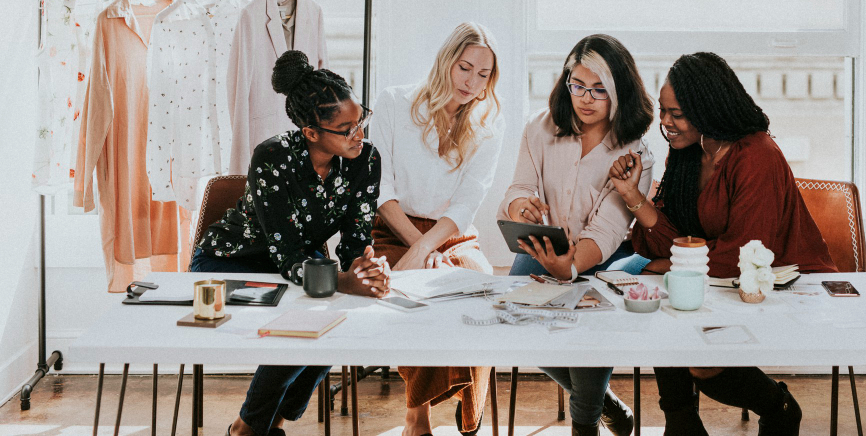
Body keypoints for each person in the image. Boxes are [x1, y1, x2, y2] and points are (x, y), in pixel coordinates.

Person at [608, 51, 837, 436]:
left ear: (708, 109)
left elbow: (740, 256)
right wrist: (633, 196)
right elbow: (662, 245)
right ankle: (681, 422)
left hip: (783, 286)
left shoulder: (757, 157)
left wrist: (668, 264)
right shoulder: (689, 152)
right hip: (720, 282)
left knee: (700, 359)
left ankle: (779, 407)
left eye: (676, 113)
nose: (665, 122)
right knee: (667, 309)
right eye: (664, 111)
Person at [191, 50, 391, 436]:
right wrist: (341, 280)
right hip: (233, 260)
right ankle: (250, 430)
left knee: (334, 321)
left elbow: (355, 239)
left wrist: (366, 268)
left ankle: (264, 425)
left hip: (304, 263)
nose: (359, 134)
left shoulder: (365, 160)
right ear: (312, 133)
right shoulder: (272, 156)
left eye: (361, 119)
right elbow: (284, 253)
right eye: (346, 128)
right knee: (301, 326)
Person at [499, 34, 655, 436]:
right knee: (511, 313)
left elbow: (607, 230)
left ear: (620, 91)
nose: (586, 98)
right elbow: (518, 188)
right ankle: (603, 403)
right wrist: (521, 207)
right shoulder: (541, 127)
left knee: (592, 319)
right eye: (578, 85)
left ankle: (584, 424)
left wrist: (568, 269)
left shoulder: (635, 153)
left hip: (607, 255)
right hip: (548, 243)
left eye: (599, 89)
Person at [369, 22, 505, 436]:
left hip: (452, 234)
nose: (472, 82)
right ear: (447, 61)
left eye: (484, 75)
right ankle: (418, 412)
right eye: (465, 68)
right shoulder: (394, 103)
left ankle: (470, 415)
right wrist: (418, 247)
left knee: (477, 283)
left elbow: (467, 202)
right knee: (410, 289)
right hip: (394, 229)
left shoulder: (488, 123)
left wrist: (430, 248)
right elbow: (381, 189)